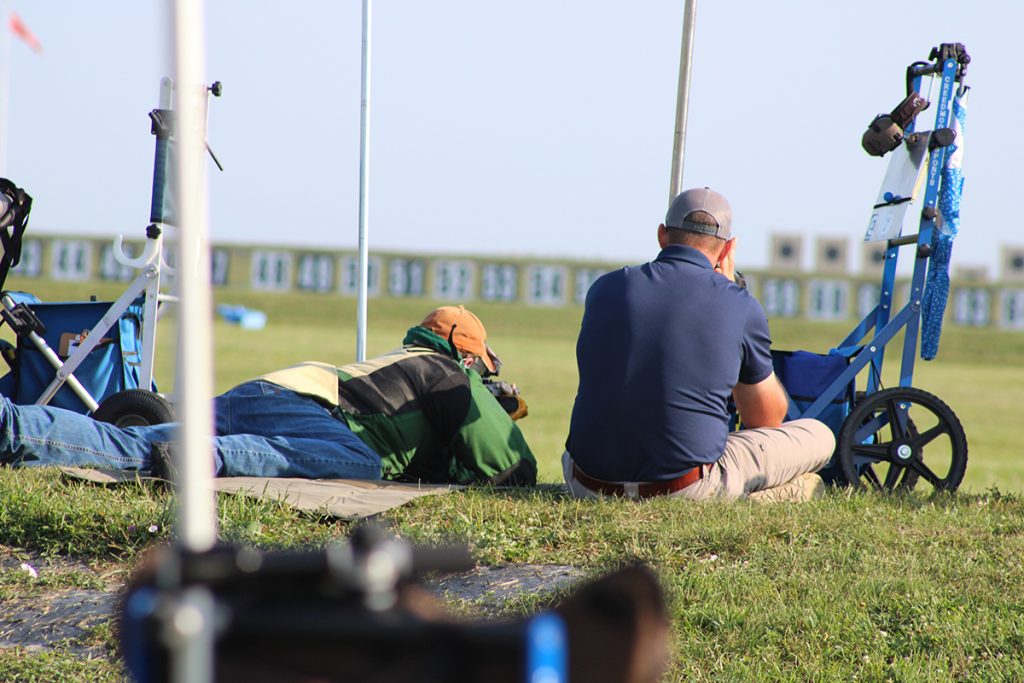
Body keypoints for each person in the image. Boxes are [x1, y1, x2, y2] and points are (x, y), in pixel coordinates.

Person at [0, 305, 537, 486]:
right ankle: (203, 461)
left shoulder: (403, 362)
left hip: (273, 389)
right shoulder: (448, 374)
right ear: (468, 357)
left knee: (124, 444)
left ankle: (13, 426)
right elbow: (510, 468)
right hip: (319, 413)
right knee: (360, 463)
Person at [563, 187, 834, 502]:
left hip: (587, 484)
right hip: (685, 489)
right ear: (728, 248)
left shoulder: (604, 288)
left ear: (662, 235)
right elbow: (765, 420)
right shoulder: (738, 303)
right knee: (820, 435)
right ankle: (763, 498)